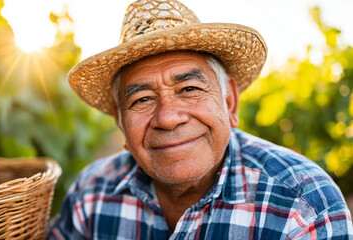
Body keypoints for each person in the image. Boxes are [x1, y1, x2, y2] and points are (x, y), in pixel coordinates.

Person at [47, 0, 353, 239]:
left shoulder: (302, 206)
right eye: (141, 99)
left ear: (229, 101)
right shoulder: (91, 192)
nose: (167, 118)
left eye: (189, 88)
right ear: (120, 122)